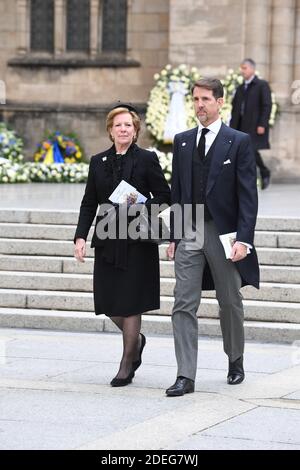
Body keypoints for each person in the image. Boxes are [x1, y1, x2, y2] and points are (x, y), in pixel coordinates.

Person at [166, 78, 259, 397]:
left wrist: (244, 239)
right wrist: (174, 235)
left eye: (205, 99)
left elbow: (248, 195)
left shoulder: (239, 141)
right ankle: (185, 375)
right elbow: (177, 192)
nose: (199, 105)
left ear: (220, 102)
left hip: (225, 233)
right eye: (195, 99)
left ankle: (235, 359)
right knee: (183, 302)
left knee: (230, 300)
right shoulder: (182, 141)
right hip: (189, 228)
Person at [74, 103, 170, 387]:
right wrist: (80, 236)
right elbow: (89, 202)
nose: (123, 129)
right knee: (107, 301)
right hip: (107, 239)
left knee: (131, 302)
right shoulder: (98, 161)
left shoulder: (147, 159)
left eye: (128, 124)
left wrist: (138, 204)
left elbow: (165, 196)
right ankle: (136, 340)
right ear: (110, 131)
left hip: (137, 240)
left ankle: (126, 363)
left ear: (136, 129)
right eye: (118, 125)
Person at [230, 58, 272, 189]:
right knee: (249, 151)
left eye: (245, 68)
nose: (242, 71)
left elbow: (266, 105)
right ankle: (263, 173)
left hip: (255, 126)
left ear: (252, 69)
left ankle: (257, 176)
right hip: (240, 125)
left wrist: (262, 124)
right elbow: (235, 107)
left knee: (251, 150)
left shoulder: (261, 85)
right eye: (241, 68)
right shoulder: (241, 88)